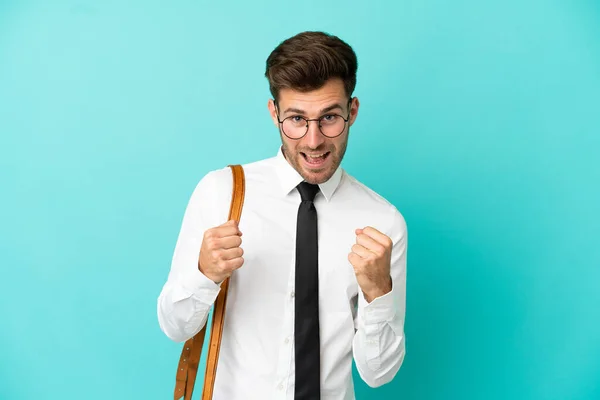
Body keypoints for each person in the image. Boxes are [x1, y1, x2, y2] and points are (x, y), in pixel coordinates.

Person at [157, 31, 407, 400]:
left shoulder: (382, 222)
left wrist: (377, 292)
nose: (313, 140)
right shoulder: (222, 192)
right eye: (296, 119)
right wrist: (204, 274)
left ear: (352, 112)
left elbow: (378, 374)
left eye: (330, 118)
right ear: (274, 112)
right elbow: (175, 327)